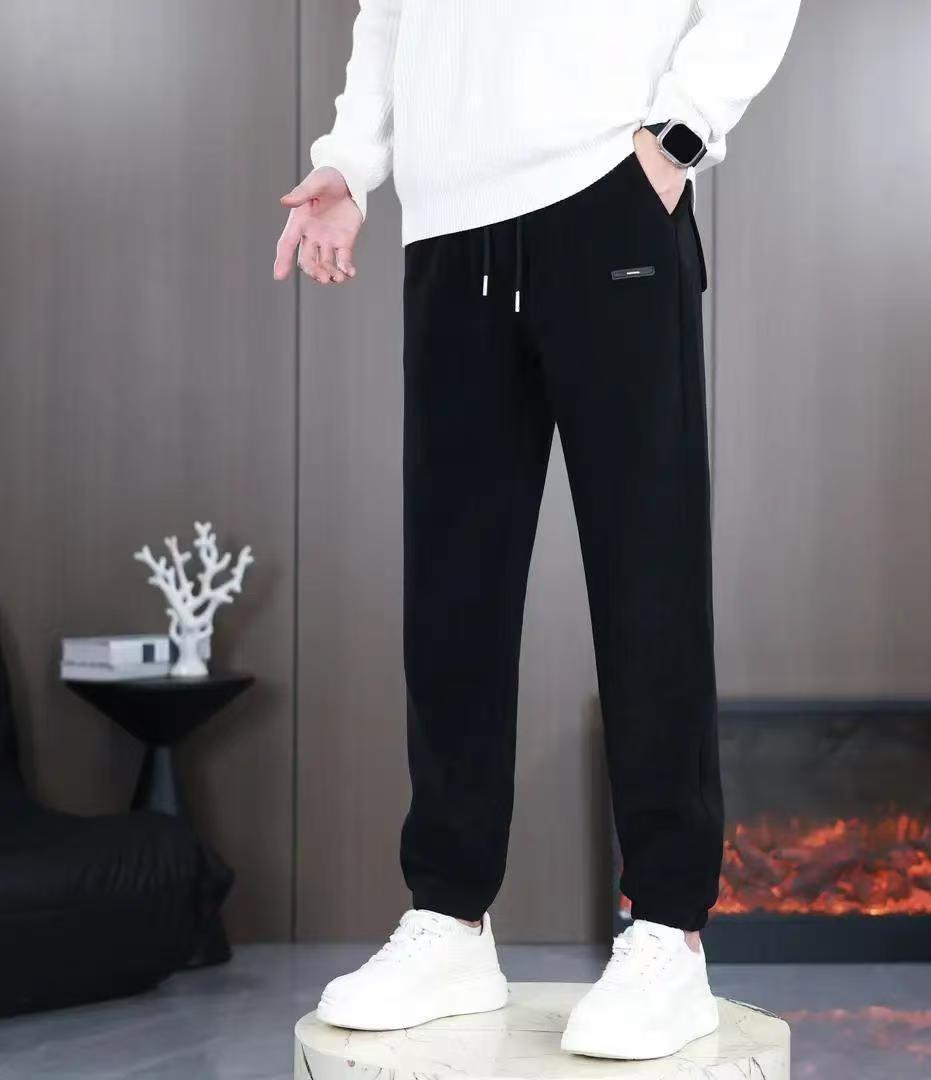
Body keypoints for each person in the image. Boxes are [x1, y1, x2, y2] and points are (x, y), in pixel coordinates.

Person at [274, 0, 800, 1061]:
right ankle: (450, 918)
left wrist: (681, 132)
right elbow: (389, 14)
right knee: (452, 595)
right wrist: (351, 160)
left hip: (606, 191)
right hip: (448, 226)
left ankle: (668, 932)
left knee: (646, 580)